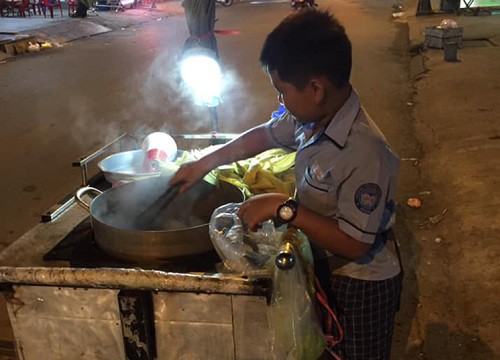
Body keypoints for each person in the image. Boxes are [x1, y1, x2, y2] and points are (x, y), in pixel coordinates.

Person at [171, 9, 403, 359]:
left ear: (315, 89)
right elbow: (264, 135)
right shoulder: (311, 118)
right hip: (324, 265)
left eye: (282, 92)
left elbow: (355, 244)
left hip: (361, 283)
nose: (280, 103)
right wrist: (205, 162)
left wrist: (285, 207)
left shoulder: (365, 150)